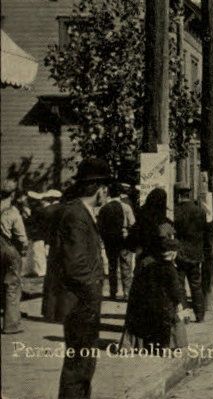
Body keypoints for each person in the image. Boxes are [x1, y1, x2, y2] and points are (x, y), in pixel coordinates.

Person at [48, 158, 112, 399]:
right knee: (79, 367)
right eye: (106, 190)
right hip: (80, 304)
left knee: (84, 365)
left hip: (82, 303)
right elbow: (76, 265)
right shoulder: (76, 215)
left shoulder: (78, 212)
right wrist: (94, 291)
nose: (107, 195)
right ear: (100, 190)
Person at [121, 236, 188, 351]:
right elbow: (176, 289)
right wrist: (181, 303)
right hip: (166, 305)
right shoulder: (170, 269)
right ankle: (172, 345)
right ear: (173, 254)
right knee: (174, 320)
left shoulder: (148, 263)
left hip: (150, 300)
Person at [173, 182, 209, 322]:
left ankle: (185, 316)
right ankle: (200, 315)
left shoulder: (175, 211)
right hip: (196, 254)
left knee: (180, 286)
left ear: (179, 195)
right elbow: (205, 233)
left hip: (180, 254)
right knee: (196, 285)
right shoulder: (200, 211)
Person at [97, 183, 135, 301]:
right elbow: (132, 224)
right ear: (120, 194)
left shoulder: (103, 208)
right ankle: (127, 292)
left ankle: (113, 292)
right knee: (126, 267)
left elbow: (100, 226)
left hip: (110, 241)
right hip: (123, 240)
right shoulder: (126, 207)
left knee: (112, 267)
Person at [1, 179, 28, 334]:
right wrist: (23, 249)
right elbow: (21, 237)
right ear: (12, 194)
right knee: (12, 284)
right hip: (8, 248)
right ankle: (11, 325)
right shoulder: (12, 211)